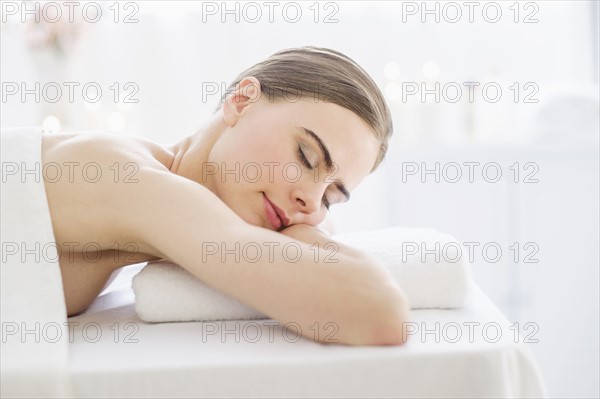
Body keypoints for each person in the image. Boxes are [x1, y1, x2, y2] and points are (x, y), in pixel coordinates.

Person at [41, 46, 409, 346]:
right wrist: (310, 235)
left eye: (329, 197)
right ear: (243, 101)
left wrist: (310, 228)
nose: (310, 202)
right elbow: (380, 313)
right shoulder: (118, 172)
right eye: (306, 157)